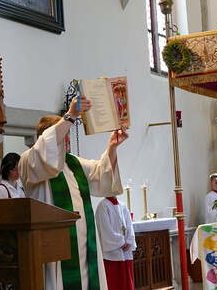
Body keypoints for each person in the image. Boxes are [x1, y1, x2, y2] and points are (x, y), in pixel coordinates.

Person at [18, 96, 128, 290]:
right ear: (46, 139)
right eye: (63, 133)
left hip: (85, 246)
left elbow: (101, 173)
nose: (67, 138)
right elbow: (46, 148)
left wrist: (112, 146)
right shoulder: (30, 161)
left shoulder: (73, 163)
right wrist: (69, 116)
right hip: (53, 249)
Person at [95, 196, 136, 290]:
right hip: (112, 253)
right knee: (114, 283)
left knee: (127, 282)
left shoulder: (123, 205)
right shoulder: (103, 205)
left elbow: (129, 225)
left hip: (125, 252)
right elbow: (105, 229)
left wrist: (129, 240)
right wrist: (121, 242)